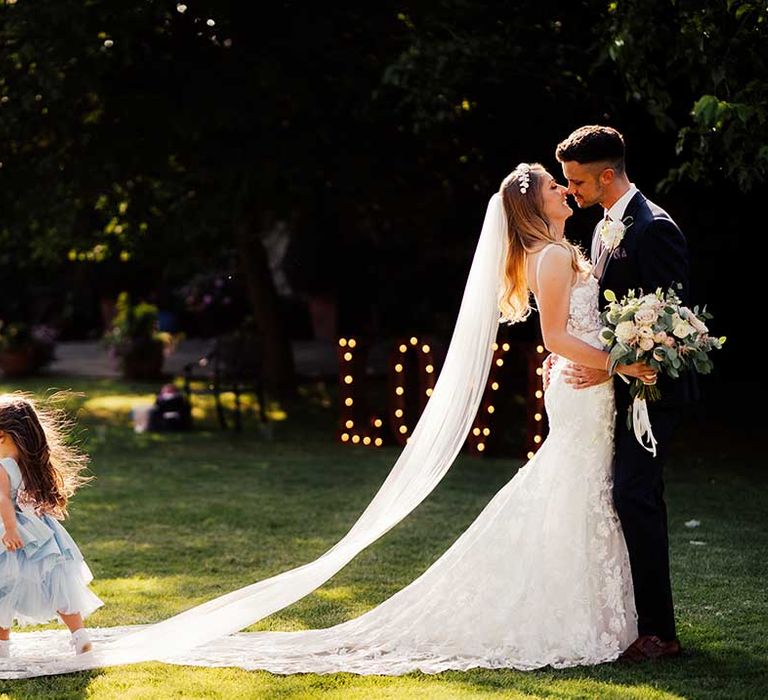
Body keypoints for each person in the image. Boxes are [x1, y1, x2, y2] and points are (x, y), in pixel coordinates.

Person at [0, 165, 658, 678]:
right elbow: (555, 336)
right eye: (552, 185)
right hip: (589, 386)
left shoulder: (566, 248)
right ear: (530, 202)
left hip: (590, 385)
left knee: (581, 495)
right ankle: (574, 616)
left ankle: (595, 612)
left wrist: (614, 356)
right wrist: (621, 363)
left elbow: (574, 326)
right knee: (574, 493)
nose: (562, 190)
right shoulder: (548, 255)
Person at [556, 125, 694, 661]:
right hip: (620, 393)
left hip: (654, 397)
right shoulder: (603, 228)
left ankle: (661, 633)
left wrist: (610, 369)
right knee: (625, 499)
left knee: (635, 498)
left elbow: (671, 328)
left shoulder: (654, 228)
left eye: (577, 181)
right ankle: (636, 621)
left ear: (607, 175)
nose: (571, 191)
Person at [0, 394, 103, 658]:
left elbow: (3, 500)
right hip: (41, 533)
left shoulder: (2, 466)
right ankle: (79, 636)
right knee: (55, 584)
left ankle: (2, 646)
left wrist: (10, 529)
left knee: (4, 591)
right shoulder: (31, 465)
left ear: (2, 436)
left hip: (11, 531)